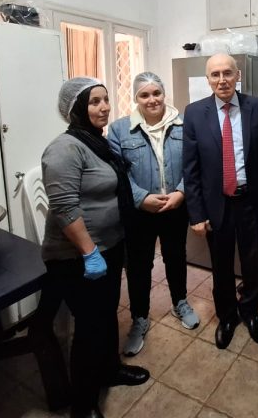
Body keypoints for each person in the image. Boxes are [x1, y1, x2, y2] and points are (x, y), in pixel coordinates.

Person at [29, 77, 149, 418]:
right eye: (95, 102)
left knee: (106, 315)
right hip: (77, 257)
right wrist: (89, 252)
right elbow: (64, 206)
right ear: (77, 109)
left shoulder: (97, 142)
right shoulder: (64, 148)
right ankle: (83, 406)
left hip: (108, 247)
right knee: (89, 328)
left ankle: (109, 370)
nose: (104, 107)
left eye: (106, 99)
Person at [182, 54, 258, 350]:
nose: (222, 80)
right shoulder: (194, 113)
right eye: (215, 74)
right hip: (215, 205)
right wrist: (196, 214)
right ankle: (226, 316)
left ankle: (250, 312)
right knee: (220, 265)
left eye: (227, 73)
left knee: (251, 262)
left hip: (249, 201)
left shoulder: (256, 107)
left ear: (238, 76)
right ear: (208, 79)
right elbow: (190, 168)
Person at [108, 72, 199, 358]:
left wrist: (181, 192)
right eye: (144, 95)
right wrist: (141, 198)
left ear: (164, 93)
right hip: (140, 212)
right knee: (138, 265)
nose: (152, 100)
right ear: (135, 98)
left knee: (176, 256)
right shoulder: (119, 130)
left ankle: (180, 302)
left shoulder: (183, 124)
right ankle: (139, 318)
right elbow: (117, 172)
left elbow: (194, 164)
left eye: (156, 93)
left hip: (175, 207)